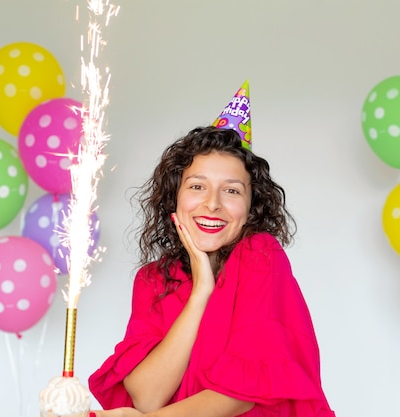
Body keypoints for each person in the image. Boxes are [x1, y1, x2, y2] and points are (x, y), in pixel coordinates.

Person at [88, 126, 335, 417]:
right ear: (174, 197)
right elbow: (146, 397)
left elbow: (241, 395)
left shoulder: (261, 254)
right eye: (197, 186)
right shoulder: (153, 278)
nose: (213, 204)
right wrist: (200, 292)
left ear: (251, 206)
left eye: (231, 190)